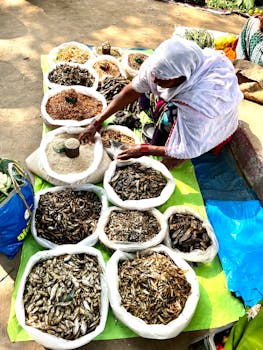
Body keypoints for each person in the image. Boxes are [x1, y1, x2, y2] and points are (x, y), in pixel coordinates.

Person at [79, 36, 243, 169]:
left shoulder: (201, 101)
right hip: (188, 103)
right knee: (145, 97)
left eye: (163, 78)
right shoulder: (161, 67)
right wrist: (97, 121)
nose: (155, 80)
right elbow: (131, 91)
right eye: (155, 74)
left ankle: (170, 159)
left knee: (171, 156)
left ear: (182, 76)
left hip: (210, 124)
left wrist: (144, 150)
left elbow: (187, 149)